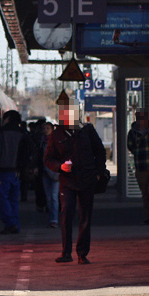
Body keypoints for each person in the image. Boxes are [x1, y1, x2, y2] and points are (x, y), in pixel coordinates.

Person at [45, 104, 106, 264]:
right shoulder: (56, 134)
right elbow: (48, 158)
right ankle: (66, 253)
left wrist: (99, 171)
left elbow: (100, 151)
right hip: (67, 181)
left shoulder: (87, 131)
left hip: (87, 179)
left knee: (85, 217)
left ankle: (82, 253)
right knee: (66, 214)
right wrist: (60, 167)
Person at [0, 110, 29, 234]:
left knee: (2, 198)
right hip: (16, 172)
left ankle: (10, 223)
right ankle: (15, 224)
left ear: (8, 118)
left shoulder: (1, 132)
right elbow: (29, 151)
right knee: (13, 200)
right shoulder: (23, 133)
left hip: (3, 171)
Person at [40, 121, 61, 228]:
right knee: (49, 197)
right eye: (44, 128)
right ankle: (52, 217)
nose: (46, 130)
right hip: (45, 173)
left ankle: (54, 219)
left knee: (53, 197)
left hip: (55, 173)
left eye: (48, 128)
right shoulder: (41, 142)